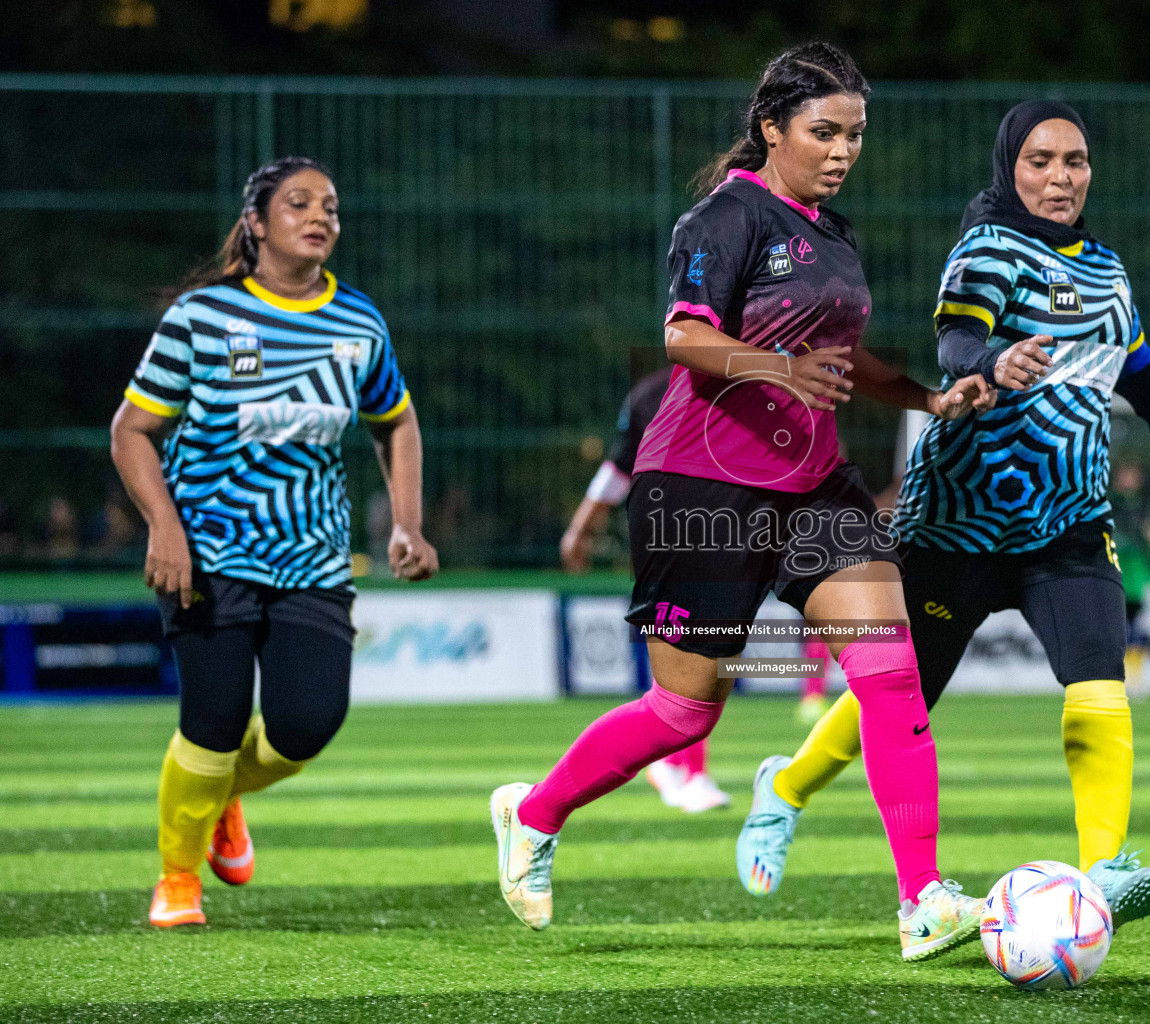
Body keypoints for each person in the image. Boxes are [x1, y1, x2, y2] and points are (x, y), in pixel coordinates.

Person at [491, 42, 996, 962]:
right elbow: (685, 339)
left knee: (892, 675)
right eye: (824, 131)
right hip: (703, 489)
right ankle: (533, 813)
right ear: (772, 129)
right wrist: (781, 368)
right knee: (684, 714)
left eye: (856, 134)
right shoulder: (723, 217)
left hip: (815, 489)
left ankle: (921, 899)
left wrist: (928, 397)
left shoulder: (834, 234)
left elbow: (848, 362)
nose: (844, 150)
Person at [735, 100, 1150, 932]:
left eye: (1075, 161)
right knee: (903, 696)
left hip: (1070, 522)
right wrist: (990, 360)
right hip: (956, 526)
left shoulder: (1110, 271)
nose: (1060, 177)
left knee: (1098, 678)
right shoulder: (987, 249)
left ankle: (1106, 867)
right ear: (1010, 167)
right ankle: (785, 785)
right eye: (1041, 160)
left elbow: (1141, 372)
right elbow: (954, 339)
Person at [110, 156, 438, 928]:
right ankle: (178, 879)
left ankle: (221, 797)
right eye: (299, 203)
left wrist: (407, 522)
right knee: (213, 722)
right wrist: (164, 527)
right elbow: (131, 433)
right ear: (256, 223)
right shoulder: (203, 317)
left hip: (314, 560)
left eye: (329, 205)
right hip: (205, 554)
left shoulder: (358, 320)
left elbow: (396, 421)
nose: (320, 215)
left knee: (304, 726)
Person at [562, 367, 731, 814]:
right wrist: (581, 528)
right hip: (669, 539)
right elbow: (619, 466)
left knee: (704, 658)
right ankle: (692, 772)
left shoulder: (758, 385)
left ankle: (673, 763)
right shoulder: (650, 395)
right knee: (698, 655)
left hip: (728, 537)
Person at [1110, 462, 1150, 698]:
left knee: (1134, 629)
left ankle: (1134, 679)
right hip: (1112, 572)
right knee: (1115, 630)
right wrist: (1145, 532)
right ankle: (1113, 678)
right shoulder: (1111, 503)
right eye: (1127, 474)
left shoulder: (1145, 505)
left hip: (1135, 577)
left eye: (1134, 474)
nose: (1131, 479)